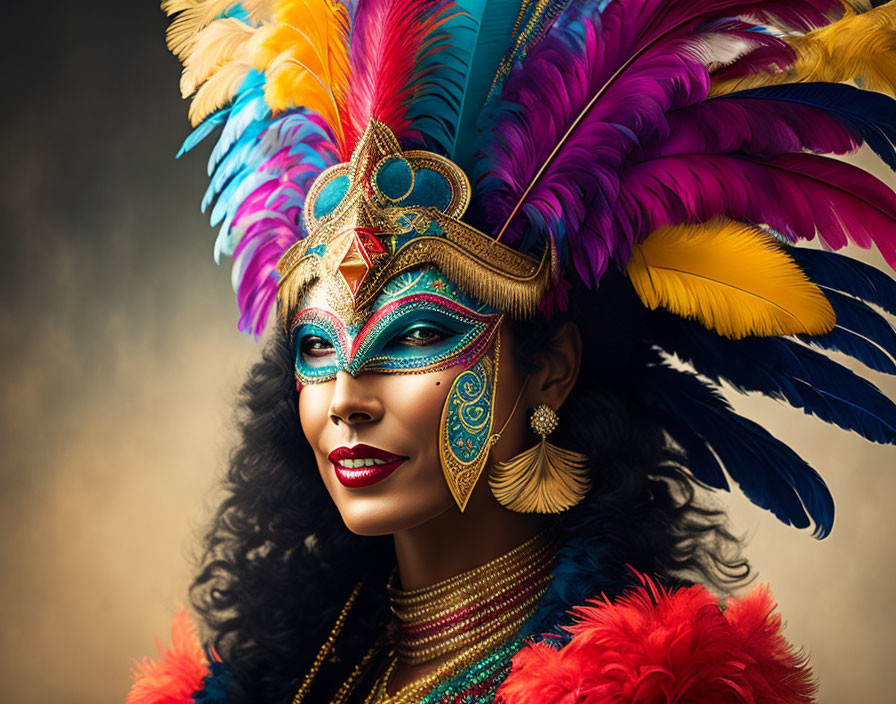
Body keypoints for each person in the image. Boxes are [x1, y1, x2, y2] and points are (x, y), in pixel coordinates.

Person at [128, 1, 896, 702]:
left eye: (419, 335)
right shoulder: (283, 683)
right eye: (318, 348)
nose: (347, 398)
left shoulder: (655, 690)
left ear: (551, 371)